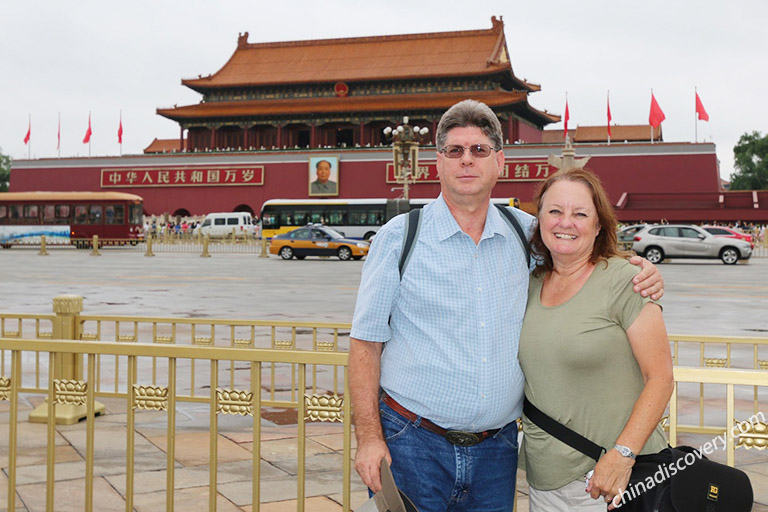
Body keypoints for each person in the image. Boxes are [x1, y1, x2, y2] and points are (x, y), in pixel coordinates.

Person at [349, 99, 664, 512]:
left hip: (495, 451)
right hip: (413, 443)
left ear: (499, 162)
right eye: (455, 151)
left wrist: (644, 274)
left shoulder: (527, 235)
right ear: (437, 163)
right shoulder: (398, 239)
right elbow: (365, 344)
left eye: (479, 150)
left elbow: (582, 261)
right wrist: (369, 437)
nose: (467, 161)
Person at [518, 167, 673, 511]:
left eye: (580, 214)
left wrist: (623, 454)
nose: (565, 222)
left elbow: (660, 378)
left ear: (599, 224)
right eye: (554, 211)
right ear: (539, 219)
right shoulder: (528, 284)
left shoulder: (625, 280)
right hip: (544, 480)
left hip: (613, 481)